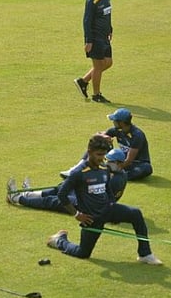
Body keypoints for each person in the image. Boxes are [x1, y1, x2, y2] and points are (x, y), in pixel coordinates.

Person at [46, 135, 162, 265]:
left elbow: (108, 190)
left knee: (135, 213)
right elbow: (62, 195)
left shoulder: (104, 169)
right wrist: (77, 214)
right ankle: (59, 240)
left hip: (107, 210)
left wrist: (113, 207)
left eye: (103, 155)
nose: (101, 158)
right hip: (91, 217)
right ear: (89, 151)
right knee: (83, 253)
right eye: (98, 154)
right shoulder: (79, 173)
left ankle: (145, 254)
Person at [9, 148, 127, 213]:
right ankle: (29, 193)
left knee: (54, 200)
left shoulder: (116, 179)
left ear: (117, 163)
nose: (106, 162)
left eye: (109, 161)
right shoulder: (116, 172)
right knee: (62, 187)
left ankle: (18, 198)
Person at [59, 108, 151, 181]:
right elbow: (95, 136)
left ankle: (106, 175)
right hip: (118, 161)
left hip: (136, 165)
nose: (113, 122)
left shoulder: (137, 135)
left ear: (121, 123)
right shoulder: (117, 130)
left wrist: (116, 168)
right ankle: (76, 170)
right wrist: (103, 137)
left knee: (146, 169)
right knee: (96, 144)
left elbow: (129, 160)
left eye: (115, 120)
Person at [74, 0, 113, 103]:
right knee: (98, 66)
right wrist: (88, 40)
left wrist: (110, 29)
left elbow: (107, 16)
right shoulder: (92, 0)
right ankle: (96, 95)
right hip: (96, 39)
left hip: (104, 37)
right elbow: (87, 21)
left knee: (108, 62)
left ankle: (83, 81)